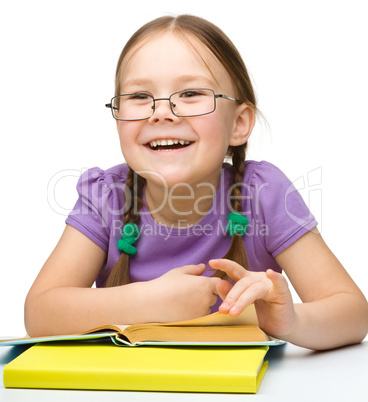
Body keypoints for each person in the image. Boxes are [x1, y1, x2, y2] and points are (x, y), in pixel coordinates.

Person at [25, 14, 368, 350]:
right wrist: (146, 302)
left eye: (190, 93)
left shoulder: (263, 193)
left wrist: (290, 321)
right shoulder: (106, 197)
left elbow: (352, 312)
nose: (161, 112)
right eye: (140, 96)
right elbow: (39, 313)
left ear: (239, 123)